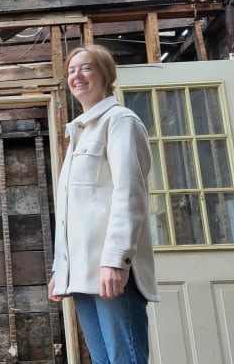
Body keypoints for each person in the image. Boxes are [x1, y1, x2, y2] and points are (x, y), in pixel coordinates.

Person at [48, 45, 160, 364]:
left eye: (86, 68)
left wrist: (115, 260)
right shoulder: (79, 132)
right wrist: (61, 269)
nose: (76, 76)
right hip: (82, 274)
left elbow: (129, 195)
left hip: (110, 271)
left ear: (106, 76)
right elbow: (74, 213)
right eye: (71, 70)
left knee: (126, 359)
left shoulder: (121, 121)